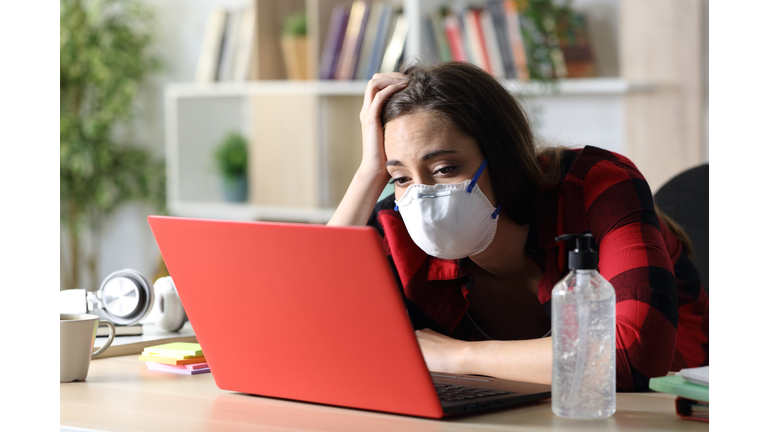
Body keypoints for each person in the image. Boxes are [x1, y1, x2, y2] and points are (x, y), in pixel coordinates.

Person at [327, 62, 709, 391]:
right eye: (402, 177)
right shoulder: (395, 222)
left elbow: (630, 356)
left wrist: (456, 355)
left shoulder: (598, 184)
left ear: (503, 160)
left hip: (667, 405)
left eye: (445, 169)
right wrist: (369, 173)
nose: (422, 196)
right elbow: (309, 325)